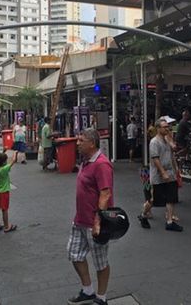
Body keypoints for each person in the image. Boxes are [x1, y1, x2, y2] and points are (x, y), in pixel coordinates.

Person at [67, 128, 114, 305]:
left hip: (95, 223)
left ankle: (101, 297)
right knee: (74, 254)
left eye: (81, 140)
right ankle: (88, 290)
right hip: (79, 219)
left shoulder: (101, 164)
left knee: (100, 262)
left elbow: (105, 193)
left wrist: (97, 221)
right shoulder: (86, 161)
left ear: (92, 143)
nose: (77, 143)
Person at [140, 118, 182, 232]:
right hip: (159, 175)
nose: (167, 129)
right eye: (164, 127)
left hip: (170, 173)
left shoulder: (166, 140)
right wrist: (163, 172)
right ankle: (143, 214)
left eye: (167, 127)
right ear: (158, 128)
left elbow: (172, 154)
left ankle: (169, 221)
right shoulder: (154, 142)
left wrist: (175, 169)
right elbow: (155, 159)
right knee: (154, 199)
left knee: (171, 197)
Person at [0, 150, 19, 233]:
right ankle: (7, 226)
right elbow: (14, 160)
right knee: (4, 209)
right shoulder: (4, 169)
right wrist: (15, 153)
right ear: (3, 162)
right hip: (4, 192)